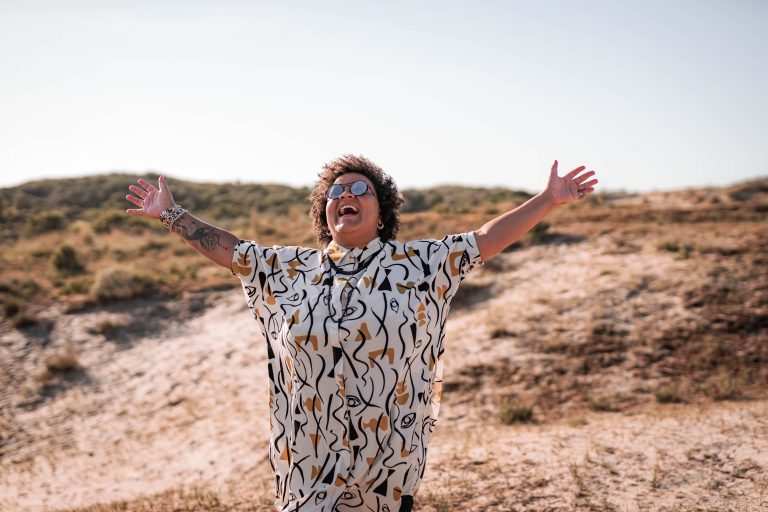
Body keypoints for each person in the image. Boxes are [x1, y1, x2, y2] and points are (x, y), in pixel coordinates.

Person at [125, 155, 597, 512]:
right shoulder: (289, 269)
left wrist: (548, 199)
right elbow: (232, 250)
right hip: (308, 457)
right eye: (335, 190)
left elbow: (486, 239)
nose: (345, 194)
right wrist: (172, 214)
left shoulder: (420, 265)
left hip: (389, 458)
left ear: (381, 211)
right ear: (325, 212)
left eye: (359, 189)